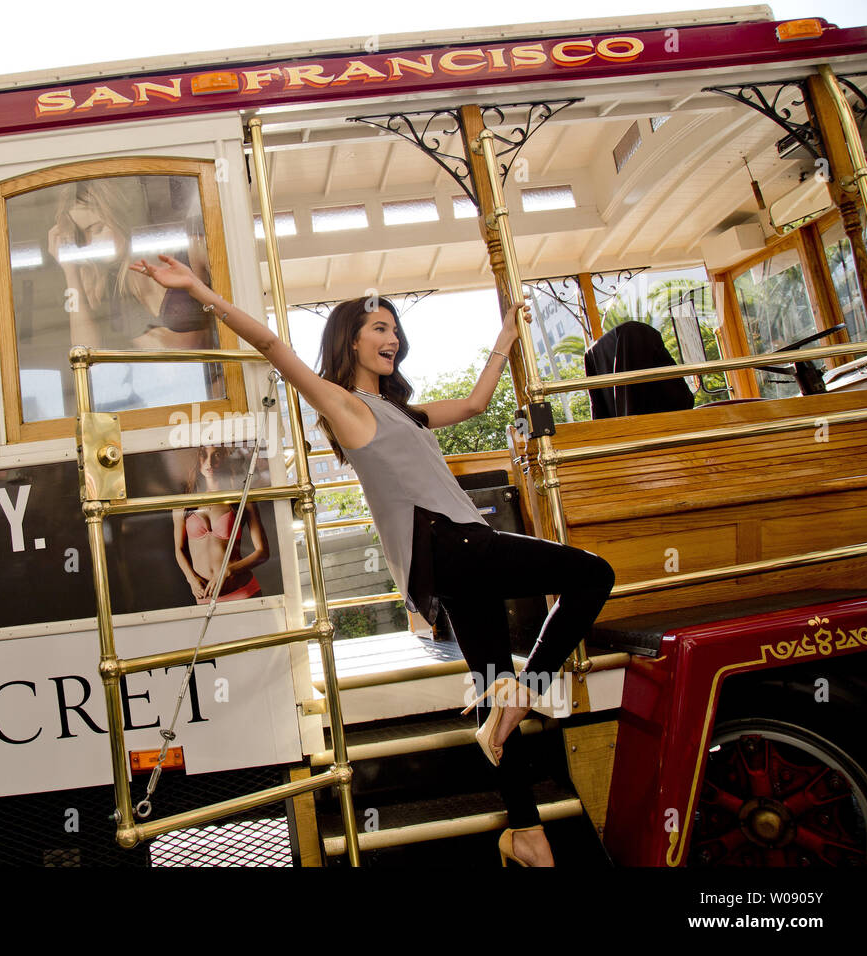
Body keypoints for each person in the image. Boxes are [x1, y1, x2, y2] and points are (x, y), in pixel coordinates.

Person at [131, 253, 615, 867]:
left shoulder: (400, 412)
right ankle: (528, 691)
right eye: (378, 328)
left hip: (450, 559)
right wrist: (198, 289)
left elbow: (470, 406)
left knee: (494, 687)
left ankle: (526, 830)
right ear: (350, 341)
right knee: (591, 575)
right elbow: (272, 344)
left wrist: (505, 339)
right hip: (454, 545)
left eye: (395, 329)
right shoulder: (346, 405)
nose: (392, 337)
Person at [47, 178, 220, 410]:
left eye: (97, 229)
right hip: (162, 408)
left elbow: (236, 309)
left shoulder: (190, 248)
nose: (89, 243)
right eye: (82, 236)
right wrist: (69, 267)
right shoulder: (107, 283)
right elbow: (85, 357)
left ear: (121, 215)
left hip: (214, 400)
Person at [172, 444, 270, 604]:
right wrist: (191, 578)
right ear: (197, 459)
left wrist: (228, 570)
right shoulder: (183, 503)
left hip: (243, 591)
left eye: (216, 455)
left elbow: (263, 552)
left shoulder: (242, 500)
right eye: (204, 454)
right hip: (204, 596)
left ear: (225, 457)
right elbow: (179, 549)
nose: (209, 462)